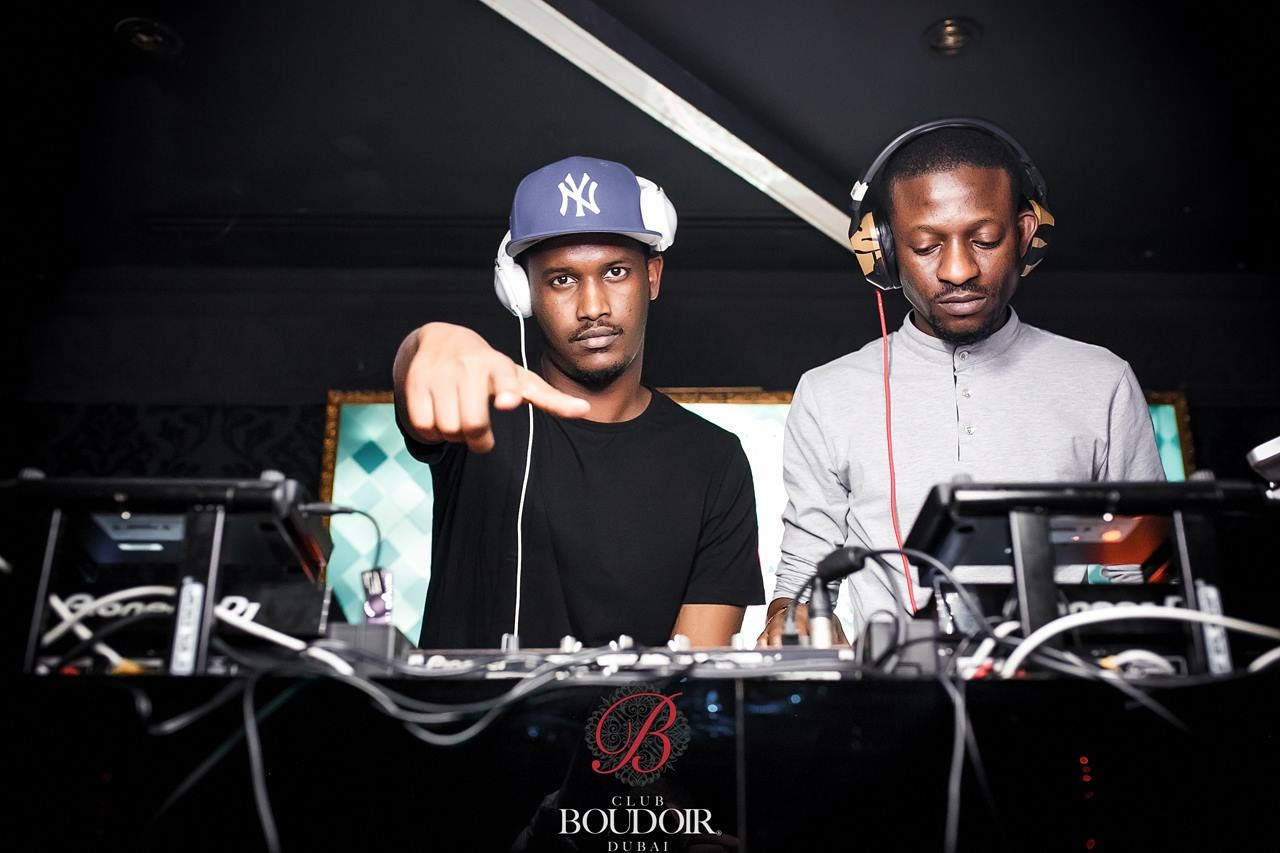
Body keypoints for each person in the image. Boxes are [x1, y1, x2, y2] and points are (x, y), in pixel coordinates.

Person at [759, 121, 1165, 646]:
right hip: (897, 687)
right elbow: (805, 571)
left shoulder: (1102, 380)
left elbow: (1145, 572)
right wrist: (792, 617)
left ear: (1025, 234)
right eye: (926, 246)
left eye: (985, 240)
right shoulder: (826, 393)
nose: (958, 270)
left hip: (1059, 679)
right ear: (883, 248)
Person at [394, 156, 763, 649]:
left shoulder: (715, 459)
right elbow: (417, 384)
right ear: (523, 292)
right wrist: (427, 341)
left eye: (615, 271)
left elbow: (697, 665)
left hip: (631, 706)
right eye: (562, 280)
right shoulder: (478, 412)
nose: (593, 308)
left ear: (652, 276)